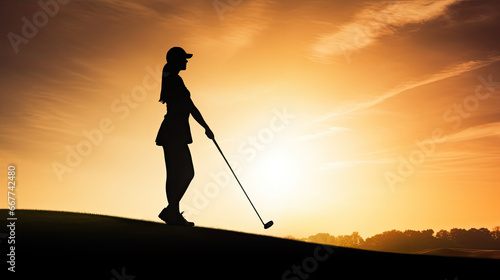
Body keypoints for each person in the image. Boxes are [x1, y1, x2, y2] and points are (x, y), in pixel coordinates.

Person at [156, 47, 214, 226]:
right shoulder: (174, 79)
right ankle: (171, 211)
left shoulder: (171, 77)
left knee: (177, 173)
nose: (186, 61)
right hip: (174, 132)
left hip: (173, 131)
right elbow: (190, 107)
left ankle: (172, 212)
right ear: (176, 60)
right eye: (184, 58)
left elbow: (189, 107)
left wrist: (205, 127)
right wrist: (206, 127)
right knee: (185, 172)